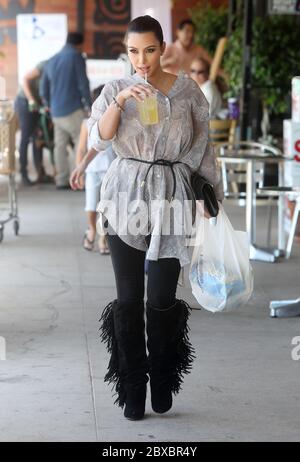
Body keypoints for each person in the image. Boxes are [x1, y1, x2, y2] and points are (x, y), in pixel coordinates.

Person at [70, 15, 223, 421]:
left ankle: (162, 377)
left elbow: (204, 146)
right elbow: (100, 139)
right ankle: (132, 386)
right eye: (134, 51)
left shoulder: (188, 90)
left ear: (163, 47)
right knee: (128, 298)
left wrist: (210, 192)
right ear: (127, 50)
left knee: (161, 298)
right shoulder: (116, 89)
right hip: (126, 198)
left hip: (172, 196)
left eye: (150, 50)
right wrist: (120, 102)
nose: (142, 60)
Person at [40, 32, 91, 189]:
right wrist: (89, 105)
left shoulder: (52, 59)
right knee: (80, 142)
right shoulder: (76, 56)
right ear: (79, 44)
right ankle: (79, 179)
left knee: (59, 145)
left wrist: (48, 103)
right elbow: (83, 83)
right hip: (72, 109)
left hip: (56, 111)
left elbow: (43, 86)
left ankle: (61, 180)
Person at [75, 85, 115, 254]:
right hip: (92, 170)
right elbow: (81, 148)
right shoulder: (87, 123)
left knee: (106, 207)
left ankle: (103, 237)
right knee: (91, 206)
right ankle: (92, 229)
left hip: (111, 171)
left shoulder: (116, 120)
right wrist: (80, 171)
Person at [15, 61, 52, 186]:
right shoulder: (45, 65)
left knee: (38, 138)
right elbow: (25, 78)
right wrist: (31, 99)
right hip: (25, 101)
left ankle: (40, 173)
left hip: (38, 103)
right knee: (25, 138)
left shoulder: (58, 72)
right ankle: (23, 174)